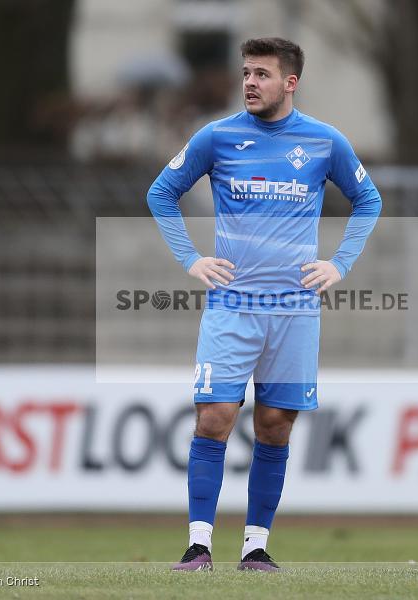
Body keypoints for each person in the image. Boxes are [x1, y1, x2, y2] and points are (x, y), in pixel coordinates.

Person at [147, 37, 381, 572]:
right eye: (246, 73)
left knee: (275, 424)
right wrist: (191, 259)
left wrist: (339, 264)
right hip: (232, 304)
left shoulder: (324, 141)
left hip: (295, 309)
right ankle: (199, 545)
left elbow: (369, 199)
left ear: (290, 82)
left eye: (262, 74)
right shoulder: (217, 136)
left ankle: (255, 546)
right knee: (215, 417)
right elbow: (161, 192)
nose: (250, 83)